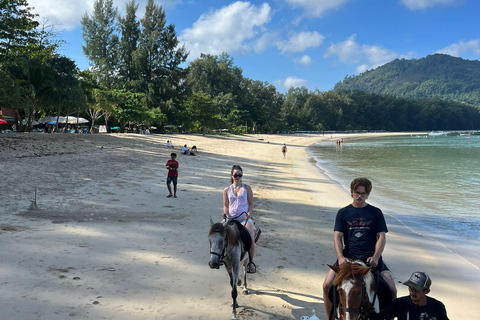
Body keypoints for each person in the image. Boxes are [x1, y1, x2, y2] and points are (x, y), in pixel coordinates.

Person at [322, 177, 397, 319]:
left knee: (392, 288)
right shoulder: (343, 213)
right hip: (348, 257)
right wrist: (340, 257)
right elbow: (338, 237)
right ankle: (330, 317)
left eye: (363, 193)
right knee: (326, 285)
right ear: (351, 192)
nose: (359, 196)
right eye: (357, 192)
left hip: (371, 259)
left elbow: (381, 237)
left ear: (368, 194)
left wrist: (375, 257)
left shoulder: (375, 212)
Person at [367, 271, 449, 320]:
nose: (412, 292)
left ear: (427, 291)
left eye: (416, 289)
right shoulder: (400, 304)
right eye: (410, 288)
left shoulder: (437, 307)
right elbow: (379, 317)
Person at [222, 165, 256, 273]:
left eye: (240, 175)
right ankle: (218, 257)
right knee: (218, 233)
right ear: (232, 176)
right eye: (236, 175)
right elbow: (226, 206)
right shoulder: (226, 190)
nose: (238, 177)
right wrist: (225, 213)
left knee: (251, 238)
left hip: (243, 219)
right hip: (231, 218)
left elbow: (250, 204)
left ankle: (251, 262)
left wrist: (249, 213)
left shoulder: (247, 188)